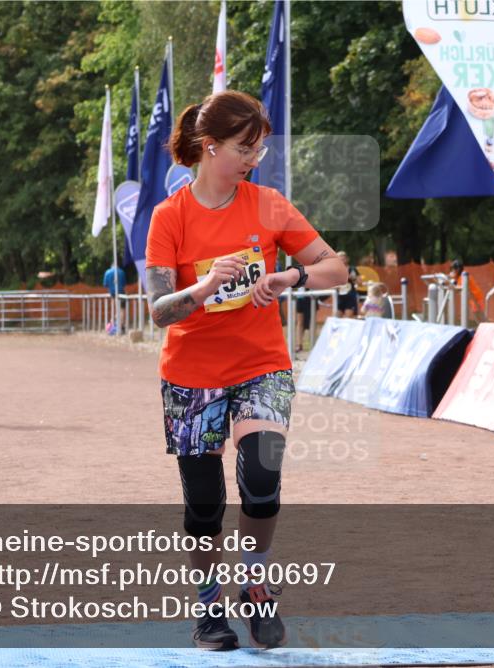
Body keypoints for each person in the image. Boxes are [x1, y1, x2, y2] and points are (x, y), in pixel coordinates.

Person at [145, 90, 347, 651]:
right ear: (209, 148)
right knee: (204, 502)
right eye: (244, 148)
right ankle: (209, 608)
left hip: (262, 365)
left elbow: (336, 267)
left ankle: (256, 586)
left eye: (258, 148)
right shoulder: (170, 217)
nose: (254, 158)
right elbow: (160, 310)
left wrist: (291, 279)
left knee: (261, 478)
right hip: (190, 373)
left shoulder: (269, 205)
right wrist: (206, 286)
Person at [333, 251, 360, 318]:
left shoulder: (352, 269)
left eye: (343, 259)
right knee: (337, 319)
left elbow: (360, 282)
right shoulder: (335, 270)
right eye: (340, 259)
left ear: (347, 259)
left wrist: (352, 278)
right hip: (339, 297)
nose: (342, 260)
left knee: (348, 319)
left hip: (350, 296)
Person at [103, 263, 126, 334]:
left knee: (115, 309)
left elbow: (105, 284)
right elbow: (124, 283)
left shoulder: (107, 272)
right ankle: (121, 325)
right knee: (121, 310)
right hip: (121, 293)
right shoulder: (122, 272)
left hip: (112, 294)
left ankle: (113, 324)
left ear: (111, 266)